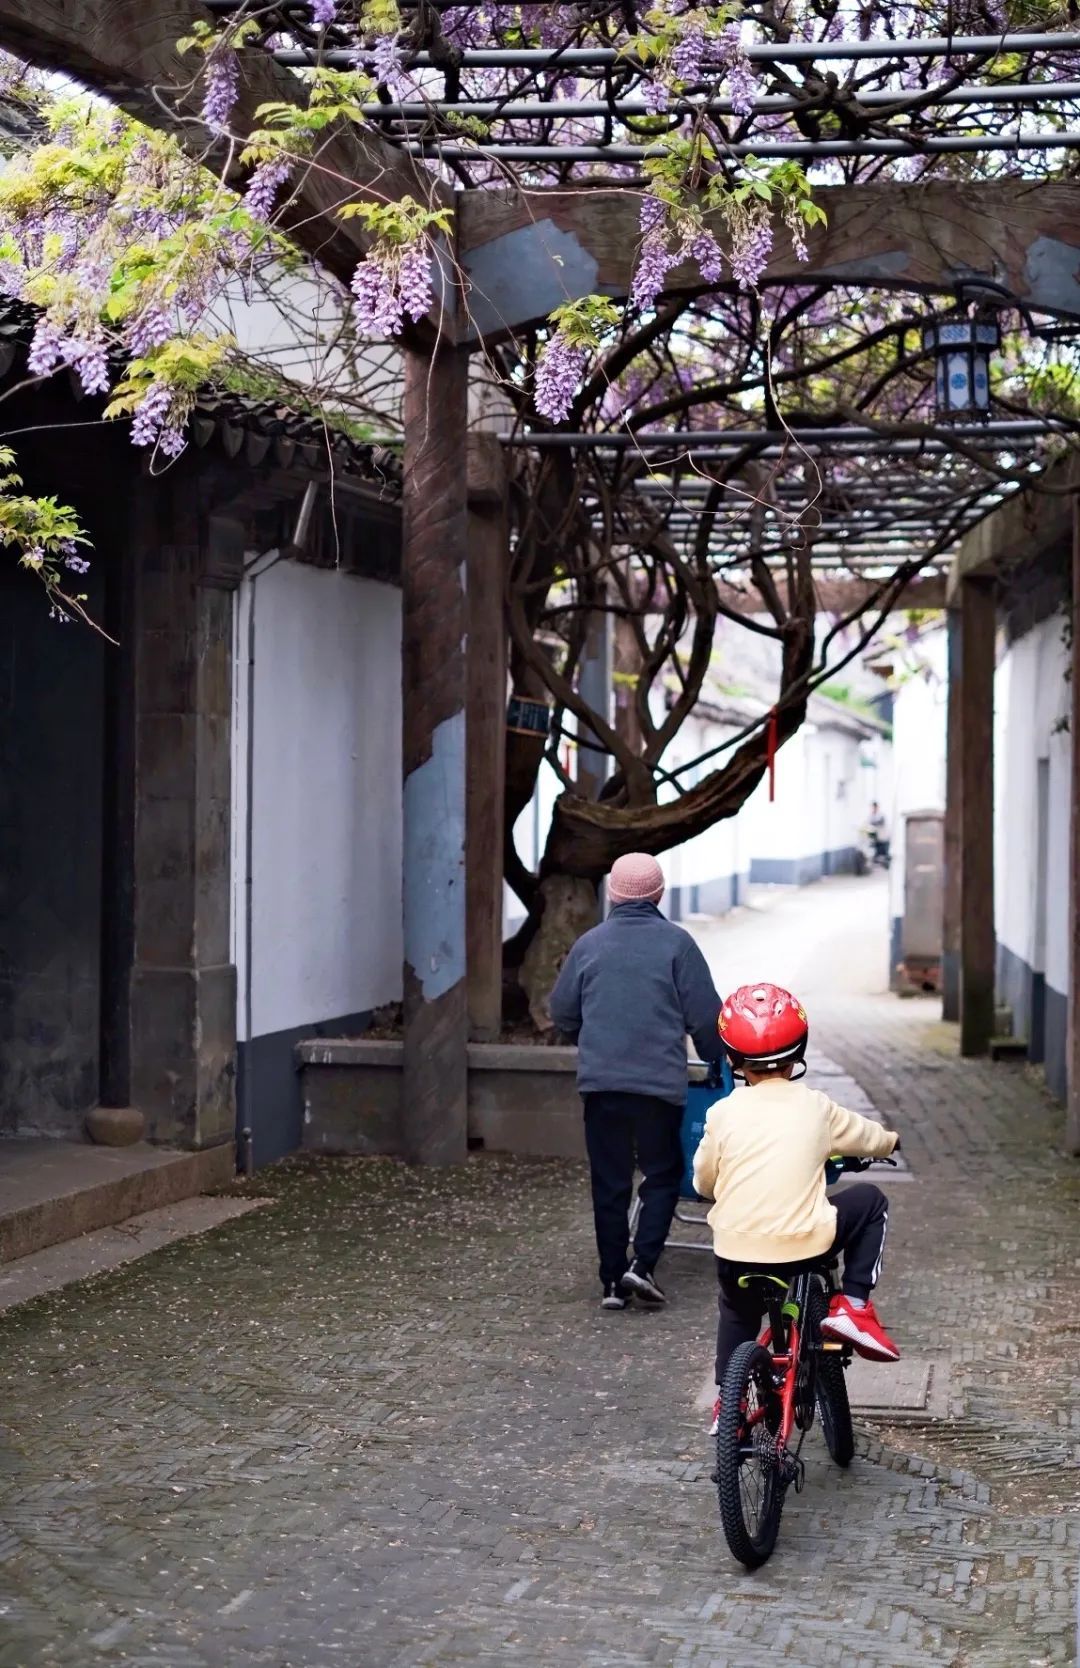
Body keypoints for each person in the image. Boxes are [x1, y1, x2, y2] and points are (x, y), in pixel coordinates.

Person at [691, 982, 900, 1434]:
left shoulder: (722, 1113)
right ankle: (854, 1306)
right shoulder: (816, 1108)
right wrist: (891, 1141)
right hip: (803, 1249)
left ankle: (728, 1405)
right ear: (798, 1051)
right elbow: (868, 1138)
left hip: (735, 1250)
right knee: (871, 1202)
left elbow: (704, 1180)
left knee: (736, 1313)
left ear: (731, 1058)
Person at [549, 852, 726, 1312]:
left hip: (602, 1086)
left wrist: (593, 1040)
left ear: (612, 893)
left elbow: (562, 1012)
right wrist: (717, 1061)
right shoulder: (677, 945)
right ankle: (642, 1265)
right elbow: (707, 1018)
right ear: (659, 894)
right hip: (658, 1088)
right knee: (662, 1173)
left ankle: (610, 1281)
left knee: (609, 1181)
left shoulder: (589, 944)